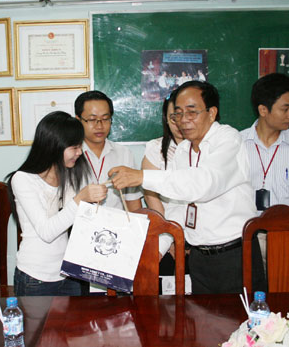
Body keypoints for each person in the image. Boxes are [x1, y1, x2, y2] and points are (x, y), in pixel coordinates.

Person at [109, 81, 265, 294]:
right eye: (178, 114)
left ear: (212, 113)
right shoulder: (183, 150)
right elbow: (176, 208)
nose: (183, 120)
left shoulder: (228, 139)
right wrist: (155, 252)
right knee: (201, 315)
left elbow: (203, 183)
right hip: (199, 259)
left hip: (235, 255)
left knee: (241, 315)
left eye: (191, 112)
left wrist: (141, 176)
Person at [7, 111, 107, 296]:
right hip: (35, 277)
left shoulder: (69, 174)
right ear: (53, 146)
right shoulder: (23, 179)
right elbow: (47, 232)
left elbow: (77, 223)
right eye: (74, 147)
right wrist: (80, 199)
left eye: (80, 146)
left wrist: (92, 205)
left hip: (67, 273)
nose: (79, 152)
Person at [240, 73, 289, 289]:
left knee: (283, 298)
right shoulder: (238, 143)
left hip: (286, 235)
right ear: (263, 109)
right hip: (246, 236)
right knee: (250, 295)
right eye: (285, 109)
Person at [141, 93, 188, 274]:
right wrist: (170, 237)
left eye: (184, 115)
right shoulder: (155, 149)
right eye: (173, 117)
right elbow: (151, 196)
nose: (179, 122)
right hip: (164, 231)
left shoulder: (205, 149)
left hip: (200, 235)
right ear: (166, 119)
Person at [74, 90, 143, 212]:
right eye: (92, 119)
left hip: (116, 223)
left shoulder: (124, 154)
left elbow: (133, 202)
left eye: (105, 119)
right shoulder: (70, 155)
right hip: (79, 222)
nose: (99, 126)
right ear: (78, 120)